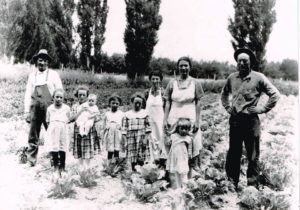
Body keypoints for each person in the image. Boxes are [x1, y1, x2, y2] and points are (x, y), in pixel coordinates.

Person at [221, 48, 280, 190]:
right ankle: (231, 183)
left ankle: (251, 185)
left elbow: (275, 94)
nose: (241, 63)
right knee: (234, 153)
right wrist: (227, 106)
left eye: (245, 61)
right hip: (235, 121)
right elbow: (224, 94)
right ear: (236, 63)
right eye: (239, 61)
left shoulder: (259, 77)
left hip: (251, 121)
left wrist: (262, 109)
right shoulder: (232, 78)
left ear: (250, 62)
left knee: (253, 154)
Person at [163, 57, 204, 174]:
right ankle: (172, 167)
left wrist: (197, 120)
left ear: (190, 67)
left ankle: (193, 166)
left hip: (190, 112)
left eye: (186, 65)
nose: (183, 68)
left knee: (193, 139)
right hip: (174, 113)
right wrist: (165, 119)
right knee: (173, 139)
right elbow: (167, 102)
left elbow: (198, 103)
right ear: (178, 67)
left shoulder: (195, 83)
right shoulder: (172, 83)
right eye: (181, 65)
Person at [24, 49, 63, 166]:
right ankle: (31, 160)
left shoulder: (53, 75)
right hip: (34, 109)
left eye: (44, 60)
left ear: (47, 62)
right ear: (36, 61)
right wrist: (26, 111)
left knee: (52, 133)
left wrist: (58, 109)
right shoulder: (32, 76)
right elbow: (27, 94)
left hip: (49, 108)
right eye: (40, 60)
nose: (42, 63)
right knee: (33, 134)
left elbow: (59, 91)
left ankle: (56, 159)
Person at [69, 86, 101, 170]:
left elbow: (98, 117)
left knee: (88, 147)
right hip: (78, 128)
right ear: (77, 95)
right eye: (80, 95)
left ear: (87, 96)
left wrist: (91, 115)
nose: (82, 97)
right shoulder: (75, 106)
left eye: (84, 95)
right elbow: (71, 119)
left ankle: (87, 166)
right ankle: (80, 166)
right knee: (79, 147)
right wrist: (80, 111)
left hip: (89, 129)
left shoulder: (91, 104)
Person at [121, 92, 151, 171]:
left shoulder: (145, 113)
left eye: (139, 103)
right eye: (135, 103)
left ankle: (142, 173)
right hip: (131, 137)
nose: (137, 105)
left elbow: (148, 128)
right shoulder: (127, 114)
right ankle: (134, 173)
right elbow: (124, 129)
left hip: (141, 136)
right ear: (132, 103)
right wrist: (125, 141)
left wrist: (145, 139)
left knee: (141, 155)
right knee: (132, 156)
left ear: (142, 103)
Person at [45, 89, 71, 177]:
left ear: (63, 99)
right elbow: (48, 121)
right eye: (57, 97)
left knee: (62, 148)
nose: (59, 99)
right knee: (54, 148)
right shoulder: (50, 108)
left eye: (61, 97)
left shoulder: (66, 108)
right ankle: (56, 167)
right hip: (53, 130)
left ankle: (63, 167)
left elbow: (69, 119)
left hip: (63, 130)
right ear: (53, 98)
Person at [144, 70, 167, 165]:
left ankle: (161, 161)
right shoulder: (146, 92)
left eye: (157, 78)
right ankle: (151, 161)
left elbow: (166, 107)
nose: (155, 81)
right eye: (153, 78)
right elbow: (143, 106)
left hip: (160, 120)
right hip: (149, 120)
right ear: (150, 80)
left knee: (160, 138)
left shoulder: (163, 93)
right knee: (150, 139)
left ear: (160, 80)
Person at [166, 118, 192, 189]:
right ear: (178, 128)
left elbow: (189, 148)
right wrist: (168, 141)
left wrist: (190, 154)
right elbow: (169, 144)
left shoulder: (188, 138)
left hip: (182, 157)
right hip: (174, 156)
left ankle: (185, 186)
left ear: (188, 130)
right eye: (182, 128)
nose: (184, 131)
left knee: (183, 171)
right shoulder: (174, 136)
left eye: (186, 129)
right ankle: (178, 187)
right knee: (176, 171)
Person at [103, 94, 124, 163]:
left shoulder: (121, 114)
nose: (115, 105)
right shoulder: (107, 114)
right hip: (110, 132)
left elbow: (123, 123)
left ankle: (116, 162)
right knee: (110, 147)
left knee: (117, 147)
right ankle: (109, 162)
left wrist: (121, 127)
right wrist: (105, 129)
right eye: (113, 103)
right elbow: (104, 123)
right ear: (110, 104)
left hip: (117, 132)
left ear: (119, 104)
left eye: (117, 103)